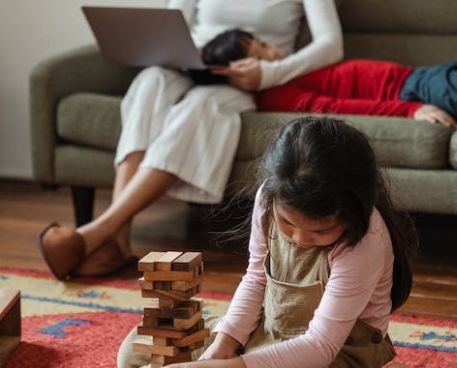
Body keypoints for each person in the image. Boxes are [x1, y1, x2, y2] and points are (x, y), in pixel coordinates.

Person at [37, 0, 344, 280]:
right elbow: (170, 24)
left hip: (252, 76)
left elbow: (331, 44)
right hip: (195, 64)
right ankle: (118, 241)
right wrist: (174, 55)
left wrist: (271, 72)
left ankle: (97, 233)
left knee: (201, 105)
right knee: (150, 81)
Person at [117, 116, 422, 368]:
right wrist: (222, 348)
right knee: (136, 351)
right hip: (267, 333)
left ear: (354, 211)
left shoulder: (365, 240)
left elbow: (321, 346)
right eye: (287, 223)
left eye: (320, 230)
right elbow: (256, 278)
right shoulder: (268, 197)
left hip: (337, 353)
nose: (300, 239)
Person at [202, 29, 457, 129]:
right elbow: (340, 108)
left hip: (421, 76)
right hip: (413, 91)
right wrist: (411, 109)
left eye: (263, 42)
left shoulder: (292, 68)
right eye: (260, 53)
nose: (272, 49)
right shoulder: (277, 95)